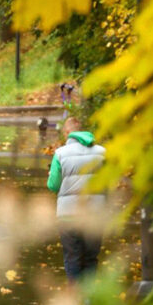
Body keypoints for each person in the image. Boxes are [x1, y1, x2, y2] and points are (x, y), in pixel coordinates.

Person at [47, 117, 106, 283]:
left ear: (67, 133)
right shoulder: (102, 153)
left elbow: (53, 185)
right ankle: (88, 301)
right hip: (95, 214)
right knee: (91, 258)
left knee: (72, 258)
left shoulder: (60, 154)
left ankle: (74, 300)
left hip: (68, 216)